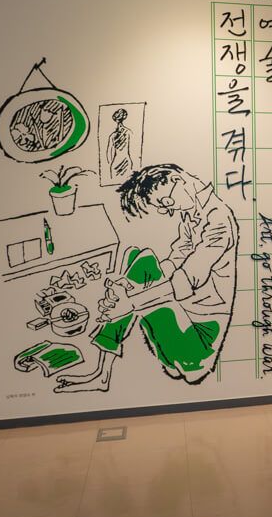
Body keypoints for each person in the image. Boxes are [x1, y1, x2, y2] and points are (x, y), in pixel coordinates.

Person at [54, 164, 238, 392]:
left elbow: (189, 277)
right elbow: (179, 254)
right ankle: (102, 373)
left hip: (198, 348)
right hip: (181, 323)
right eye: (163, 205)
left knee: (138, 278)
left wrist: (129, 302)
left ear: (177, 180)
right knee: (141, 258)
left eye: (166, 201)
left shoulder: (219, 220)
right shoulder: (193, 211)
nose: (169, 208)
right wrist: (128, 286)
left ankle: (102, 371)